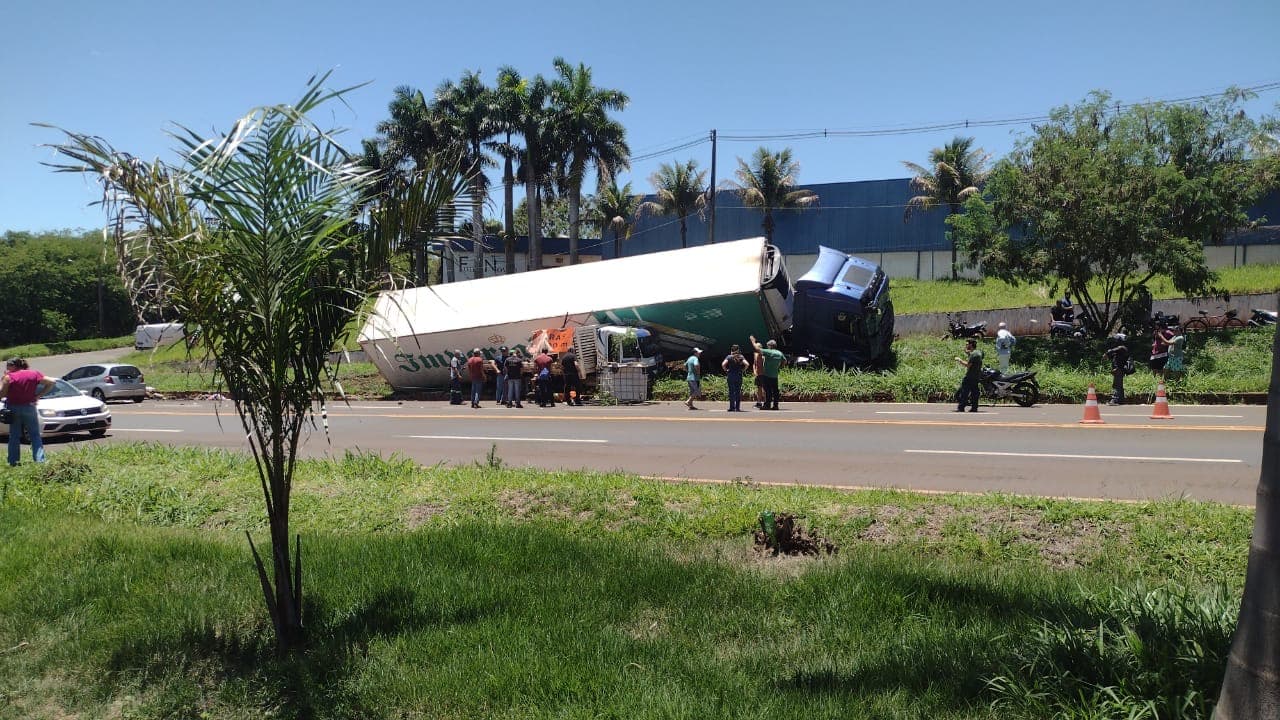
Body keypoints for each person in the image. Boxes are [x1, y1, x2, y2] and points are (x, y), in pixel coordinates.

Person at [0, 358, 55, 466]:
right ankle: (40, 461)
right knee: (35, 435)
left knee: (14, 435)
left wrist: (3, 379)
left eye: (8, 366)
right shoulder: (34, 373)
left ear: (13, 366)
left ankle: (13, 462)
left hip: (13, 408)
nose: (6, 368)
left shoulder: (9, 377)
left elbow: (1, 394)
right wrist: (38, 395)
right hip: (29, 407)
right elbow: (52, 382)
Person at [749, 335, 785, 410]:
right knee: (775, 391)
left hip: (767, 375)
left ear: (770, 346)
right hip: (775, 375)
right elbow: (784, 361)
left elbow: (757, 348)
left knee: (768, 390)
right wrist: (779, 367)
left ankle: (767, 405)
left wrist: (753, 341)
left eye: (768, 346)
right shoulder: (779, 353)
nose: (767, 347)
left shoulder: (769, 352)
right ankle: (775, 405)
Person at [953, 338, 982, 412]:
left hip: (969, 377)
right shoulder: (978, 353)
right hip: (976, 376)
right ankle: (974, 407)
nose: (966, 345)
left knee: (963, 392)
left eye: (967, 344)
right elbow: (974, 357)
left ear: (971, 345)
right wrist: (968, 353)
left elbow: (968, 365)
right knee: (974, 393)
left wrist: (959, 360)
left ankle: (961, 407)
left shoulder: (973, 355)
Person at [1103, 334, 1131, 405]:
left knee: (1116, 385)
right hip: (1118, 369)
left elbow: (1112, 351)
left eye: (1116, 340)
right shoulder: (1120, 350)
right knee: (1119, 385)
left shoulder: (1122, 348)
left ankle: (1115, 399)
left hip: (1119, 369)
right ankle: (1121, 400)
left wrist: (1107, 353)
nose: (1115, 341)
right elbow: (1112, 355)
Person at [721, 344, 748, 412]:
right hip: (738, 376)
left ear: (732, 350)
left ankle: (732, 407)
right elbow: (747, 364)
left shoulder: (729, 357)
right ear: (738, 350)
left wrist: (726, 370)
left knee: (731, 392)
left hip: (731, 376)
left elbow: (723, 364)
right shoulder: (741, 356)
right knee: (738, 392)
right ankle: (737, 408)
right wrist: (743, 370)